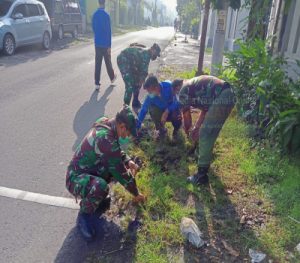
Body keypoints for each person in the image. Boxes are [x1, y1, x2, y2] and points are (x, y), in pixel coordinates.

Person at [66, 106, 145, 241]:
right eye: (128, 132)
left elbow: (115, 151)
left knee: (107, 173)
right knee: (101, 186)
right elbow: (122, 174)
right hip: (75, 179)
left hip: (88, 170)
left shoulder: (106, 123)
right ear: (121, 126)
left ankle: (96, 199)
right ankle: (84, 215)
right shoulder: (106, 139)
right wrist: (136, 194)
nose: (128, 136)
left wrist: (128, 161)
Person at [175, 75, 236, 185]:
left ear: (177, 88)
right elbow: (205, 111)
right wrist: (196, 128)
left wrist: (188, 131)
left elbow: (186, 116)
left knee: (206, 134)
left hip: (223, 96)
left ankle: (201, 176)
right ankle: (203, 157)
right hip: (228, 94)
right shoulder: (195, 87)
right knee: (209, 132)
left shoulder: (184, 89)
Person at [117, 43, 161, 108]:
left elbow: (142, 73)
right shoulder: (146, 54)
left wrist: (140, 83)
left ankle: (135, 102)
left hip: (132, 63)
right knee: (129, 85)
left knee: (137, 82)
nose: (155, 56)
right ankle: (125, 108)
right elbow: (144, 72)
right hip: (123, 60)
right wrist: (144, 84)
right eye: (156, 54)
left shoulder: (147, 51)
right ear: (153, 50)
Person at [92, 0, 117, 91]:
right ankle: (112, 78)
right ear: (104, 3)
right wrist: (109, 45)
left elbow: (93, 28)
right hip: (105, 44)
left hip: (97, 43)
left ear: (98, 3)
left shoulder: (94, 15)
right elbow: (109, 31)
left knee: (97, 63)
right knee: (108, 62)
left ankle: (97, 83)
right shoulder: (107, 16)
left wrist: (97, 37)